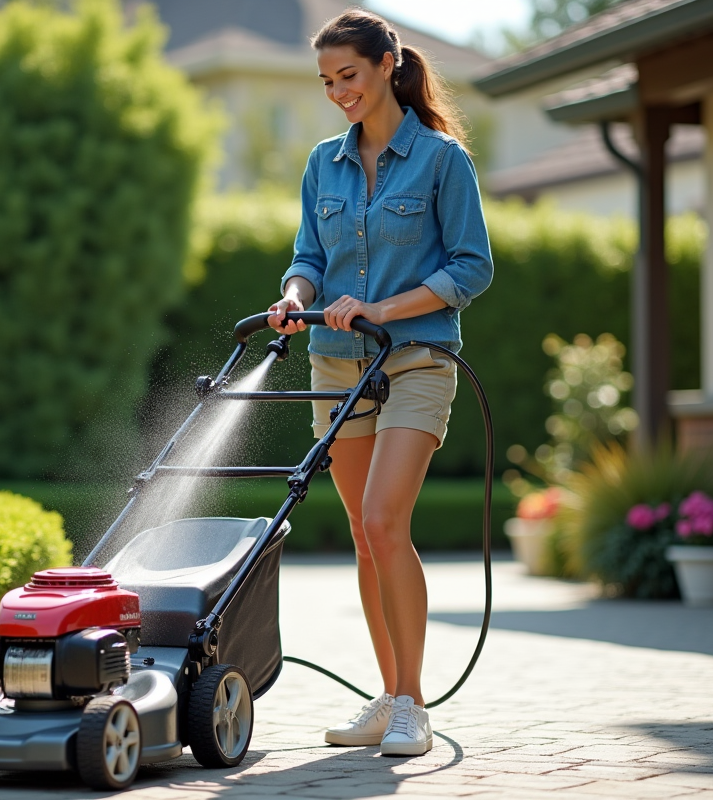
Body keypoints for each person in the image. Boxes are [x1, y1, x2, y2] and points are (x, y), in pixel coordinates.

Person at [268, 9, 493, 757]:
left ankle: (412, 706)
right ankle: (390, 693)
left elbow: (471, 268)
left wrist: (384, 309)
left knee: (385, 519)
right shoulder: (322, 164)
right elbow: (308, 256)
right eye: (327, 81)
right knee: (366, 535)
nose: (339, 92)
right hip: (336, 364)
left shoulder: (441, 160)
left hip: (416, 360)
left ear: (387, 64)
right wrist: (294, 297)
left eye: (350, 76)